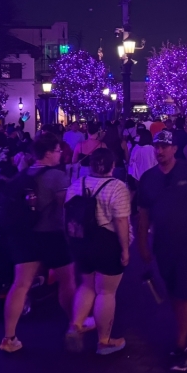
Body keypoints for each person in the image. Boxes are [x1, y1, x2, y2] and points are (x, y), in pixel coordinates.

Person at [137, 131, 187, 372]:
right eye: (157, 147)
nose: (159, 151)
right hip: (163, 244)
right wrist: (142, 244)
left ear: (174, 149)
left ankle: (182, 345)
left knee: (185, 290)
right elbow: (143, 215)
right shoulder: (148, 178)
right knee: (173, 290)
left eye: (164, 146)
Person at [0, 133, 76, 353]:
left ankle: (9, 337)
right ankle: (74, 323)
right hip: (52, 234)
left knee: (20, 284)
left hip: (25, 235)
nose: (61, 154)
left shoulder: (22, 175)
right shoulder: (57, 177)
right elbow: (65, 209)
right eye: (58, 150)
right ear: (49, 153)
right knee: (67, 280)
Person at [65, 147, 132, 355]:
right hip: (106, 242)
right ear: (113, 165)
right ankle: (104, 341)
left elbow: (66, 217)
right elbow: (121, 221)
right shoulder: (117, 187)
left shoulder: (77, 185)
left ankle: (76, 325)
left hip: (81, 242)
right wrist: (125, 249)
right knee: (106, 291)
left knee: (87, 286)